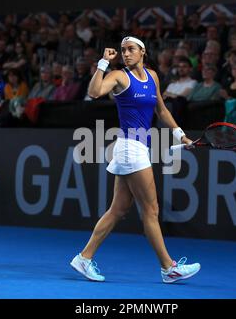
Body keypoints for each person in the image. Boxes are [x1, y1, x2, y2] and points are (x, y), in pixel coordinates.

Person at [70, 36, 201, 283]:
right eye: (123, 50)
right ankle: (168, 268)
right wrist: (102, 64)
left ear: (143, 51)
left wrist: (180, 135)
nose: (126, 53)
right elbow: (94, 92)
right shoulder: (120, 76)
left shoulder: (152, 76)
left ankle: (84, 258)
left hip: (137, 147)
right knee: (151, 210)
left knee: (117, 209)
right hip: (131, 148)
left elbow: (161, 110)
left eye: (131, 49)